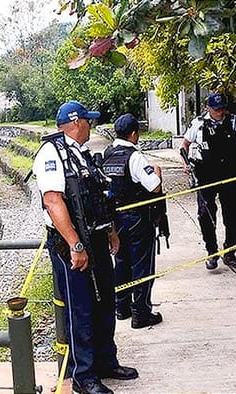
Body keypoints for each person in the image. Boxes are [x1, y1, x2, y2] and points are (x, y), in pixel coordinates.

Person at [32, 101, 138, 394]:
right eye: (88, 121)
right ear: (76, 122)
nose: (91, 126)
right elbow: (53, 201)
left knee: (105, 301)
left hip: (97, 239)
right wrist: (75, 244)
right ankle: (84, 376)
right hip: (72, 246)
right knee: (81, 309)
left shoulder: (84, 155)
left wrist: (111, 232)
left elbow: (99, 198)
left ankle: (106, 362)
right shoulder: (52, 154)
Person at [181, 93, 236, 270]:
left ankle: (229, 253)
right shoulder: (199, 123)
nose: (220, 112)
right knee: (205, 214)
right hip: (205, 173)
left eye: (223, 108)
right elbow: (184, 144)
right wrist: (185, 163)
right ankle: (212, 253)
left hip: (229, 173)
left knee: (232, 215)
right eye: (216, 109)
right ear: (207, 108)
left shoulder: (234, 121)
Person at [102, 113, 164, 329]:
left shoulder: (106, 155)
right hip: (138, 219)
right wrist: (157, 171)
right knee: (142, 266)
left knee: (121, 263)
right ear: (134, 134)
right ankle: (141, 313)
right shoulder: (134, 157)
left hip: (114, 220)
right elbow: (154, 186)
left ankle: (122, 307)